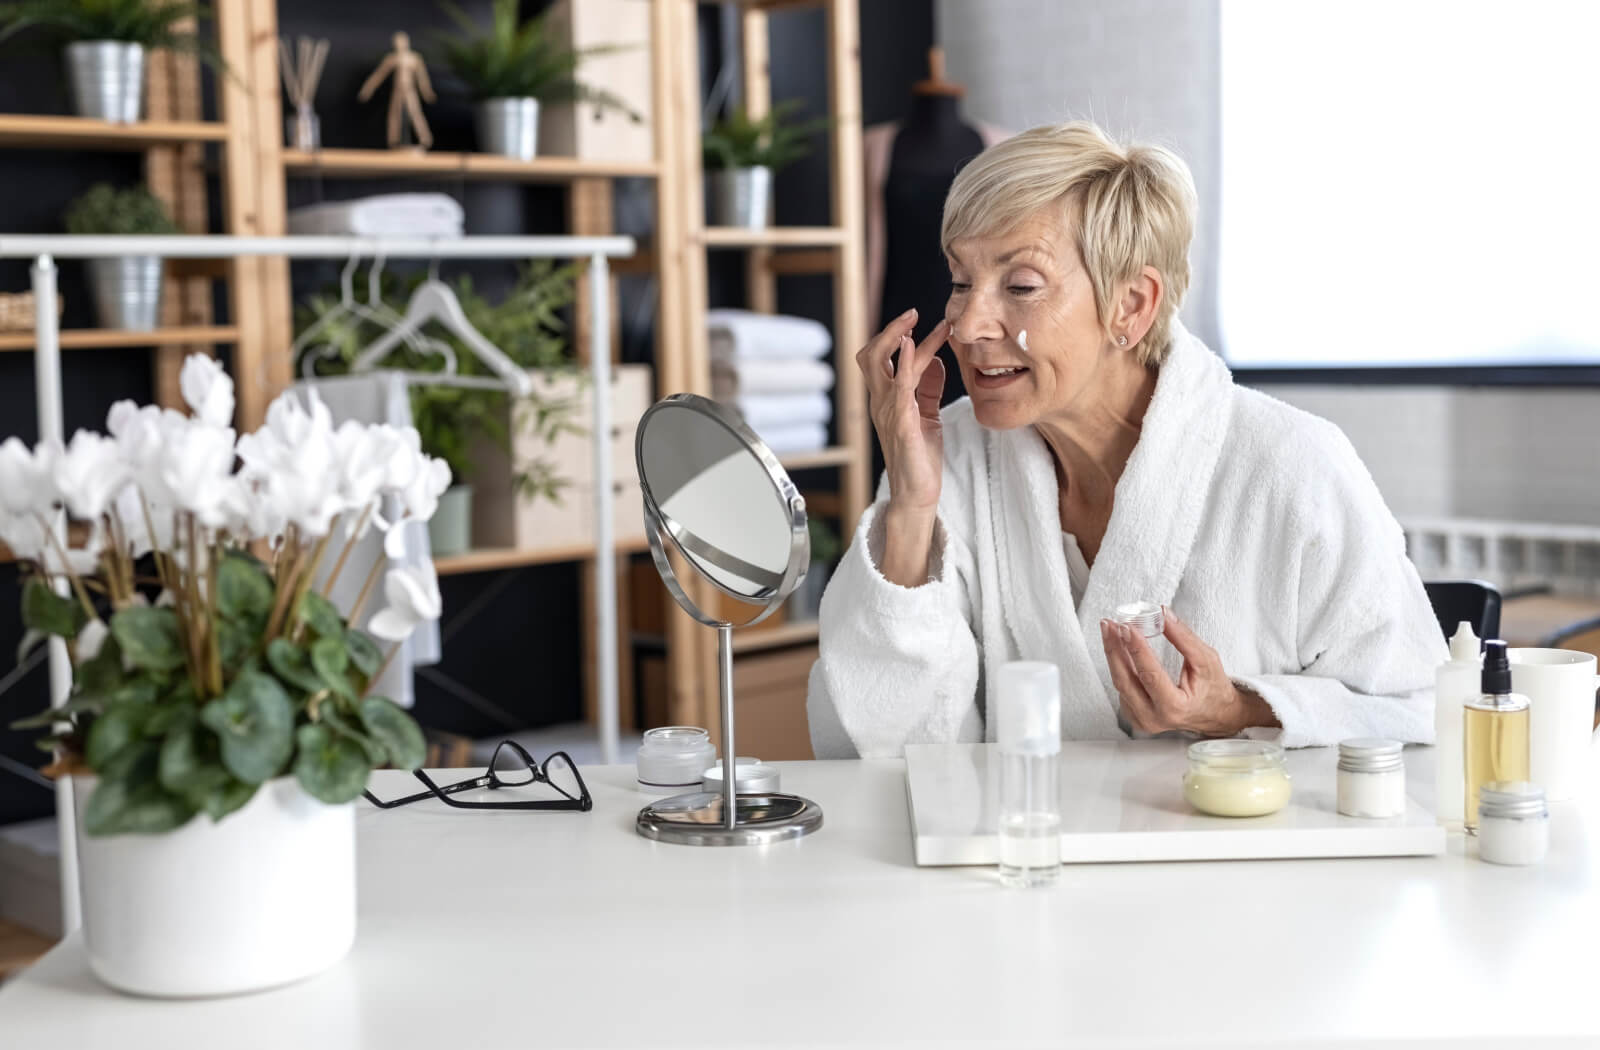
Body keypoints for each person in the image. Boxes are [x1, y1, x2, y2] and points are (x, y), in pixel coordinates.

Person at [807, 120, 1444, 759]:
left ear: (1131, 306)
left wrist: (1238, 710)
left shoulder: (1292, 465)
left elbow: (1420, 710)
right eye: (961, 282)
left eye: (1021, 286)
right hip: (1022, 849)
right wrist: (913, 514)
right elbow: (885, 750)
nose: (969, 324)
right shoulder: (957, 460)